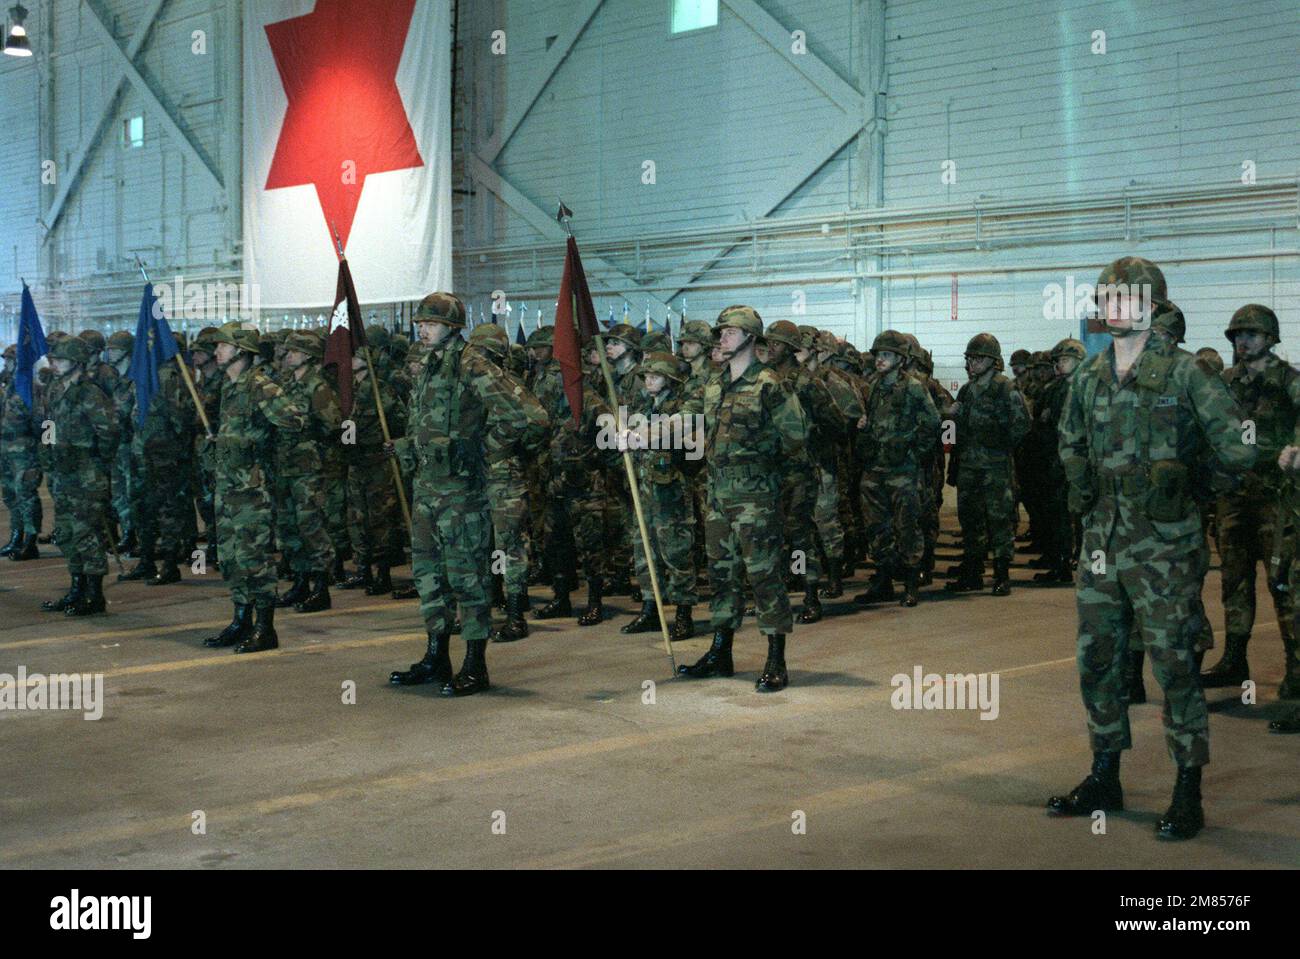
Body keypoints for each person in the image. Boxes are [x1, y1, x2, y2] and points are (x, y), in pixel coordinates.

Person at [1050, 256, 1256, 840]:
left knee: (1174, 665)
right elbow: (1069, 439)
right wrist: (1082, 489)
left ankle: (1188, 788)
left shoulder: (1188, 372)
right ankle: (1105, 774)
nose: (1116, 307)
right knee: (1098, 660)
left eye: (1127, 297)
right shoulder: (1089, 376)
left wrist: (1199, 480)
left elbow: (1238, 443)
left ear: (1153, 303)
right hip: (1102, 542)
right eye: (1107, 297)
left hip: (1165, 545)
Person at [386, 293, 543, 696]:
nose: (423, 329)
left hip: (460, 493)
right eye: (420, 322)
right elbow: (430, 422)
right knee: (428, 575)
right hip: (426, 488)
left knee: (467, 578)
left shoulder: (471, 363)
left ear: (452, 327)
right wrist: (410, 447)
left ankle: (475, 664)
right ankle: (436, 655)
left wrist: (485, 447)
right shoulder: (425, 364)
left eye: (431, 323)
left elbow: (529, 415)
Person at [678, 306, 806, 693]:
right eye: (721, 332)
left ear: (751, 337)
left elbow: (797, 437)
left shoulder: (770, 384)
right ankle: (721, 652)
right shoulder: (713, 386)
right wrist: (638, 436)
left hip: (755, 497)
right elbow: (685, 420)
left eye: (730, 332)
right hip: (717, 495)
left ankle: (775, 658)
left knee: (765, 576)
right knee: (721, 575)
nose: (722, 338)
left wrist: (764, 465)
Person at [1200, 304, 1299, 696]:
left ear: (1270, 338)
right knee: (1234, 581)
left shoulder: (1287, 380)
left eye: (1251, 334)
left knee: (1285, 586)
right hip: (1235, 496)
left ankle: (1295, 673)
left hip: (1276, 499)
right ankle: (1235, 659)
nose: (1242, 341)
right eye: (1238, 335)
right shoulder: (1226, 381)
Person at [202, 323, 306, 654]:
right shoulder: (229, 386)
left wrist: (257, 441)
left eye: (224, 345)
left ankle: (265, 626)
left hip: (252, 488)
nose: (217, 350)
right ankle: (240, 619)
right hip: (228, 484)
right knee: (232, 557)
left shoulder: (260, 385)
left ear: (241, 352)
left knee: (255, 557)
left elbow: (294, 419)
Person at [616, 350, 702, 640]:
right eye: (646, 376)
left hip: (671, 493)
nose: (648, 380)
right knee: (644, 553)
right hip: (643, 490)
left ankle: (683, 613)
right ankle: (651, 608)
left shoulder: (683, 406)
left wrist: (643, 435)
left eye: (655, 375)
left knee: (676, 553)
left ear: (669, 378)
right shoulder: (640, 405)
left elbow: (689, 439)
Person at [854, 330, 940, 608]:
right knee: (876, 527)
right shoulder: (873, 386)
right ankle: (883, 580)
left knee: (907, 526)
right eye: (878, 355)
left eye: (887, 355)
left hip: (903, 470)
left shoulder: (914, 387)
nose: (880, 360)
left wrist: (914, 454)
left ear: (901, 359)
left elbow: (932, 424)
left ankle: (911, 583)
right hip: (875, 469)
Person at [39, 336, 118, 617]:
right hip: (63, 473)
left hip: (86, 474)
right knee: (67, 533)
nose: (55, 363)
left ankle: (94, 594)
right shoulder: (56, 390)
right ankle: (76, 588)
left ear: (76, 362)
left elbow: (109, 430)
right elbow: (48, 424)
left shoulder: (90, 393)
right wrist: (47, 452)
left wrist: (96, 460)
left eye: (60, 359)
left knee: (87, 534)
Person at [945, 334, 1029, 596]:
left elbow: (1022, 425)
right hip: (969, 465)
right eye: (969, 358)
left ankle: (1002, 575)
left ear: (993, 361)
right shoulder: (967, 391)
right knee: (970, 520)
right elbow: (953, 427)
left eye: (978, 358)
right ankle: (973, 573)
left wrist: (1000, 446)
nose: (972, 363)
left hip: (995, 467)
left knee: (999, 520)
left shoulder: (1006, 388)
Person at [273, 330, 343, 613]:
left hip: (309, 468)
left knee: (311, 526)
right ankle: (300, 581)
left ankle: (320, 587)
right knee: (290, 527)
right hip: (285, 466)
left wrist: (311, 440)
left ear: (308, 355)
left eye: (294, 351)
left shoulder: (318, 387)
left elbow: (334, 424)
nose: (288, 355)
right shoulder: (287, 383)